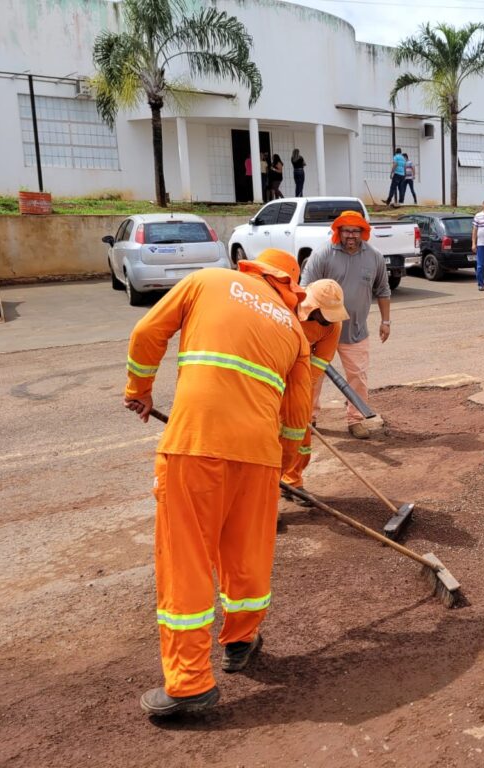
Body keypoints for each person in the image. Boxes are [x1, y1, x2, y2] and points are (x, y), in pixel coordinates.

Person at [123, 248, 312, 716]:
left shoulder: (207, 280)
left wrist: (139, 391)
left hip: (196, 444)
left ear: (251, 268)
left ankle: (189, 685)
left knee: (186, 558)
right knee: (246, 554)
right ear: (290, 287)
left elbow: (148, 333)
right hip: (260, 457)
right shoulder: (294, 330)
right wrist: (284, 470)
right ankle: (241, 641)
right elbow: (297, 418)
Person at [300, 210, 391, 439]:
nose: (351, 235)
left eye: (356, 231)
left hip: (356, 330)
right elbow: (304, 290)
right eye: (346, 230)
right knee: (313, 377)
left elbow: (383, 290)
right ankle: (307, 419)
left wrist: (385, 321)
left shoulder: (374, 257)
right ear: (338, 232)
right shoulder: (322, 255)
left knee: (358, 378)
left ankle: (355, 419)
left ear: (363, 232)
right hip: (320, 330)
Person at [280, 279, 348, 500]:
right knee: (269, 436)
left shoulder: (333, 325)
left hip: (301, 378)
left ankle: (292, 482)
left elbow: (320, 361)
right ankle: (266, 493)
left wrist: (298, 394)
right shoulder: (284, 309)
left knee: (300, 434)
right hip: (272, 373)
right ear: (312, 306)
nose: (329, 319)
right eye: (325, 313)